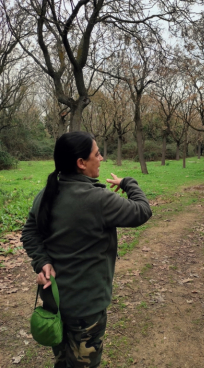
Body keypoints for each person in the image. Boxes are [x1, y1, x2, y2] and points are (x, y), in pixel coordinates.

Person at [21, 131, 152, 368]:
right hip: (86, 308)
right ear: (81, 163)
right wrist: (127, 182)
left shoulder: (48, 192)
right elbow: (142, 211)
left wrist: (42, 261)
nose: (101, 158)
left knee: (62, 360)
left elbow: (29, 232)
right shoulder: (99, 199)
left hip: (55, 302)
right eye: (97, 153)